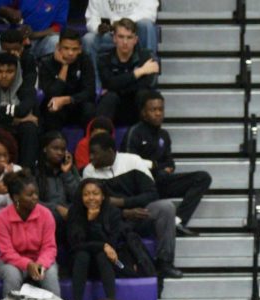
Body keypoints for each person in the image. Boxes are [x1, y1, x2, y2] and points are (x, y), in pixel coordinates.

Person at [83, 132, 183, 279]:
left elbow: (152, 194)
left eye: (95, 154)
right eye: (90, 153)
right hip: (112, 222)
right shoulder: (89, 171)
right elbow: (91, 204)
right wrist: (123, 212)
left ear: (110, 151)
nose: (91, 158)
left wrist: (124, 203)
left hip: (139, 215)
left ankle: (165, 263)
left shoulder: (133, 161)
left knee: (166, 207)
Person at [123, 89, 210, 236]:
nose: (158, 113)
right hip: (142, 188)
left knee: (203, 177)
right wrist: (158, 167)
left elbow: (170, 162)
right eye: (153, 110)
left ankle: (177, 221)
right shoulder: (135, 133)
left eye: (161, 109)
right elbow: (130, 163)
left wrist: (160, 168)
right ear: (144, 113)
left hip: (161, 182)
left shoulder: (164, 135)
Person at [0, 169, 61, 298]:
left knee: (50, 273)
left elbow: (49, 247)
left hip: (40, 260)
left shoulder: (46, 214)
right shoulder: (2, 218)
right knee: (12, 274)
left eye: (36, 193)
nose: (35, 197)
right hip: (11, 262)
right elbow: (6, 252)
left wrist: (40, 264)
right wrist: (27, 264)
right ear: (16, 197)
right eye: (30, 195)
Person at [66, 178, 122, 300]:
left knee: (102, 255)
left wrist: (95, 225)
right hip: (80, 265)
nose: (91, 198)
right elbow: (75, 245)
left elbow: (112, 245)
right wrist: (101, 244)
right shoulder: (74, 211)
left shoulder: (113, 212)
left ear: (103, 196)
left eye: (95, 193)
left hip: (104, 264)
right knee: (83, 255)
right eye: (86, 194)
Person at [0, 52, 40, 170]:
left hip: (16, 130)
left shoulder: (26, 88)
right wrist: (15, 119)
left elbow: (22, 110)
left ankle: (26, 172)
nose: (4, 76)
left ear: (17, 72)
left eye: (10, 71)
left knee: (30, 127)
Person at [96, 18, 159, 127]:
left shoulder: (146, 56)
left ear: (135, 40)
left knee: (144, 94)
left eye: (129, 37)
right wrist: (139, 72)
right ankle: (102, 138)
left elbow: (148, 84)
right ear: (114, 38)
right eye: (121, 37)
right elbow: (108, 83)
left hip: (137, 108)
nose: (125, 42)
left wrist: (117, 85)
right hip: (115, 110)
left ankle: (147, 138)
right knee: (109, 97)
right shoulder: (103, 58)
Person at [38, 28, 97, 132]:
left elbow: (90, 92)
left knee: (89, 109)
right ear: (58, 47)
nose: (70, 53)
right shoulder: (46, 63)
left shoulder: (85, 60)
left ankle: (89, 144)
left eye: (74, 49)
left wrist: (67, 100)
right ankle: (53, 144)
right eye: (66, 48)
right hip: (58, 107)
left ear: (80, 49)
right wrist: (64, 66)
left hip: (77, 104)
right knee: (51, 108)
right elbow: (51, 94)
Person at [83, 0, 159, 71]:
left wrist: (122, 24)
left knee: (146, 25)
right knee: (88, 40)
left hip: (133, 34)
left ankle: (149, 72)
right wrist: (98, 27)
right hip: (111, 34)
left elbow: (150, 13)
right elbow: (91, 18)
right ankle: (94, 83)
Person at [36, 130, 81, 243]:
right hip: (45, 215)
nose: (60, 153)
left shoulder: (70, 170)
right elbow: (32, 201)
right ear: (45, 148)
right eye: (55, 148)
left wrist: (66, 173)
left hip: (69, 214)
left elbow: (79, 196)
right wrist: (56, 207)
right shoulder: (35, 171)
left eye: (62, 149)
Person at [0, 0, 68, 57]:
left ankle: (49, 78)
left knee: (55, 41)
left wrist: (34, 34)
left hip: (42, 40)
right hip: (17, 38)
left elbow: (59, 26)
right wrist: (7, 11)